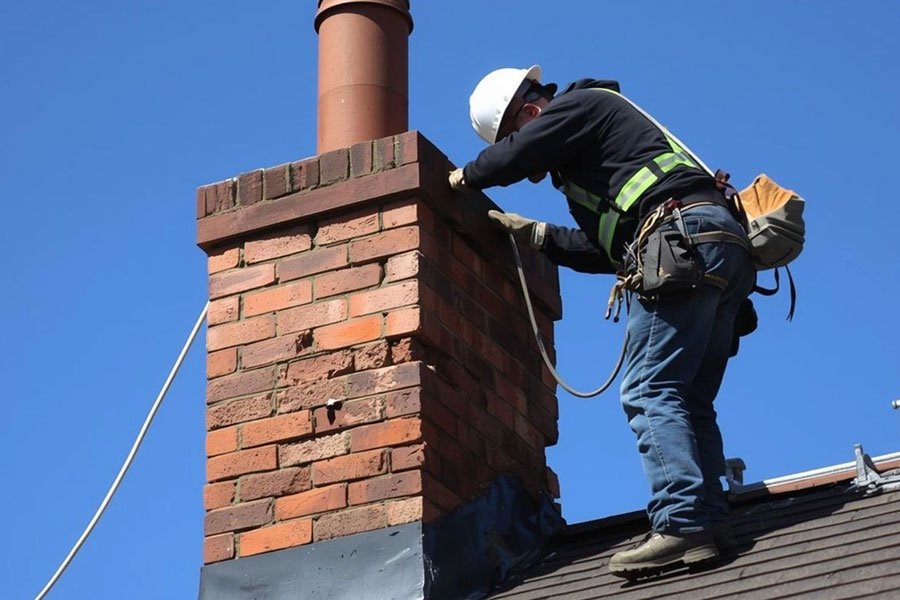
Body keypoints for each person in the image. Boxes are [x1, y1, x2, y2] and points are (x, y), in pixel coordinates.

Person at [448, 65, 756, 578]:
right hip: (715, 249)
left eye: (518, 138)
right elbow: (607, 247)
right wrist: (541, 235)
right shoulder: (597, 157)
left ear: (530, 112)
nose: (530, 169)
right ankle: (706, 523)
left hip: (683, 242)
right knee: (687, 397)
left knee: (649, 390)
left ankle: (679, 520)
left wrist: (464, 177)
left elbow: (514, 155)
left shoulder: (584, 105)